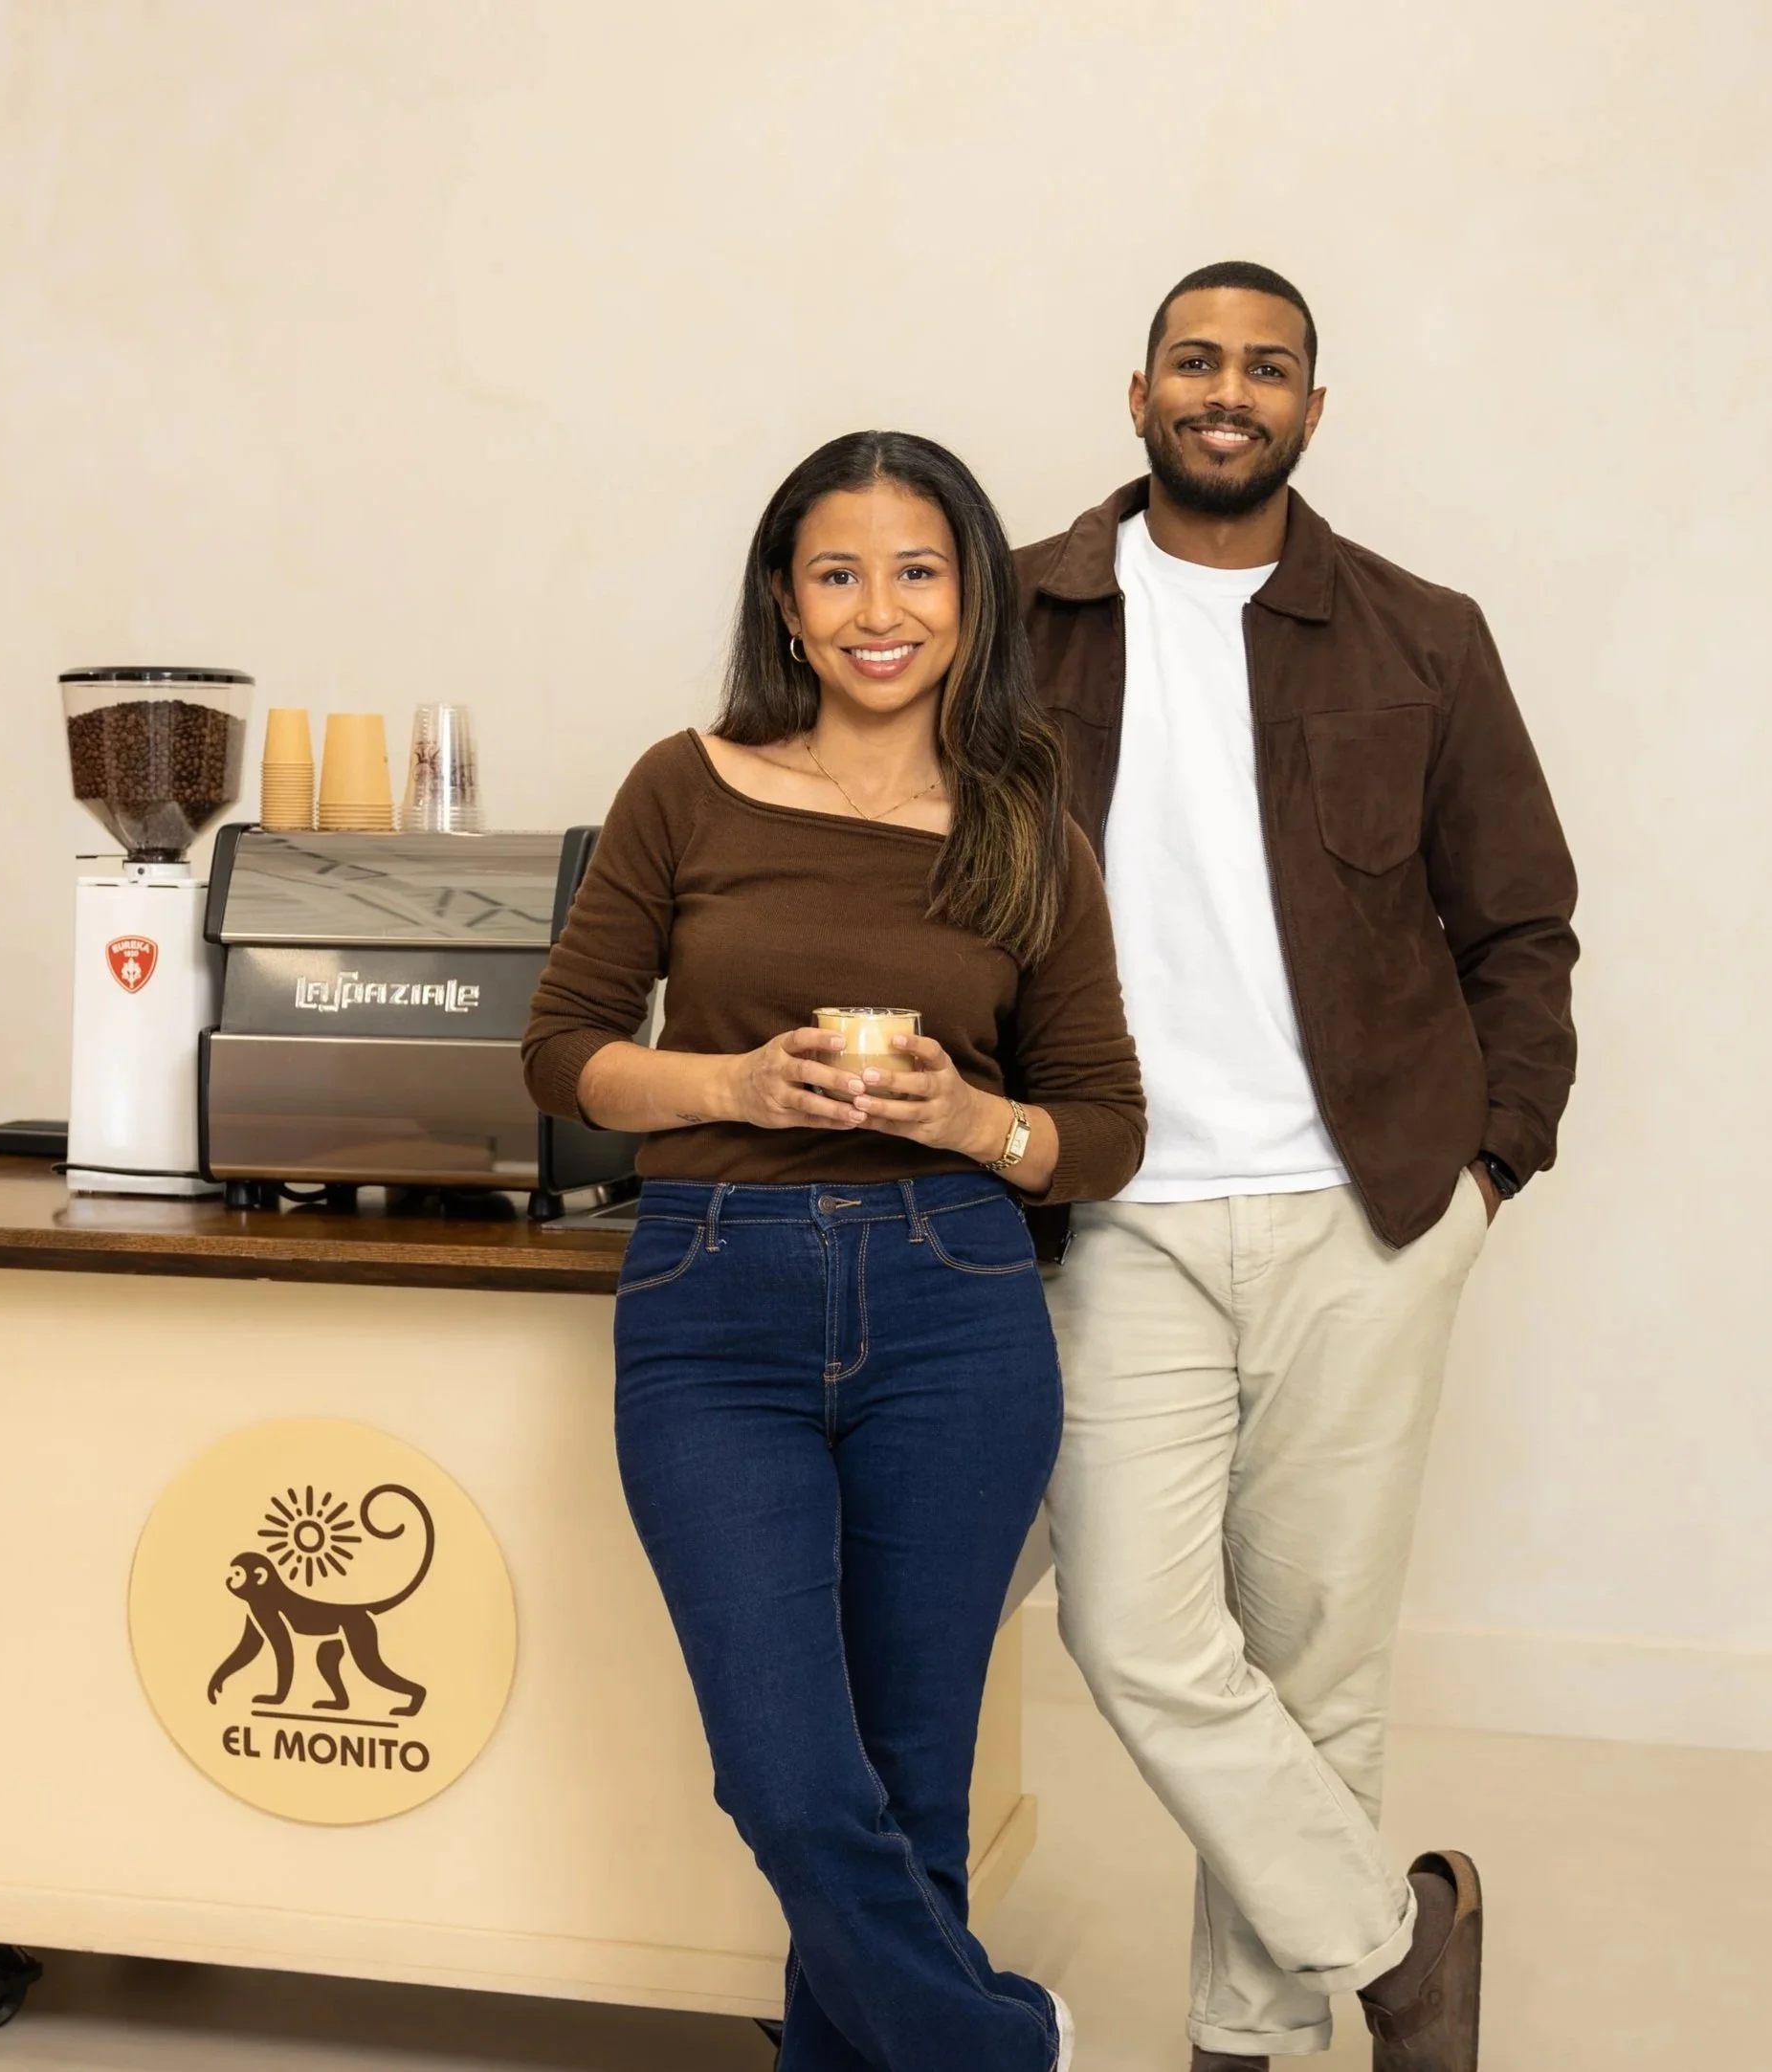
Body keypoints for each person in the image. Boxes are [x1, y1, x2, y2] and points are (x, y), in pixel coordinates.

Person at [524, 430, 1145, 2072]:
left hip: (953, 1301)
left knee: (911, 1786)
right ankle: (1003, 2047)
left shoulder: (1025, 826)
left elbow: (1102, 1126)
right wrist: (728, 1083)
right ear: (785, 604)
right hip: (709, 1297)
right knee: (791, 1778)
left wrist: (972, 1118)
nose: (881, 609)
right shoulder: (682, 784)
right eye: (839, 573)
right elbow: (563, 1051)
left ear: (971, 598)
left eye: (918, 570)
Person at [1017, 260, 1578, 2072]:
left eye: (1266, 368)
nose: (1227, 390)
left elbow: (1521, 924)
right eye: (1194, 360)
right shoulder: (1015, 621)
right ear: (1137, 394)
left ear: (1311, 412)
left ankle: (1242, 2040)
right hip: (1118, 1210)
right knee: (1133, 1628)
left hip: (1369, 1208)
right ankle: (1400, 1948)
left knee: (1317, 1655)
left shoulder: (1424, 636)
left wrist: (1487, 1171)